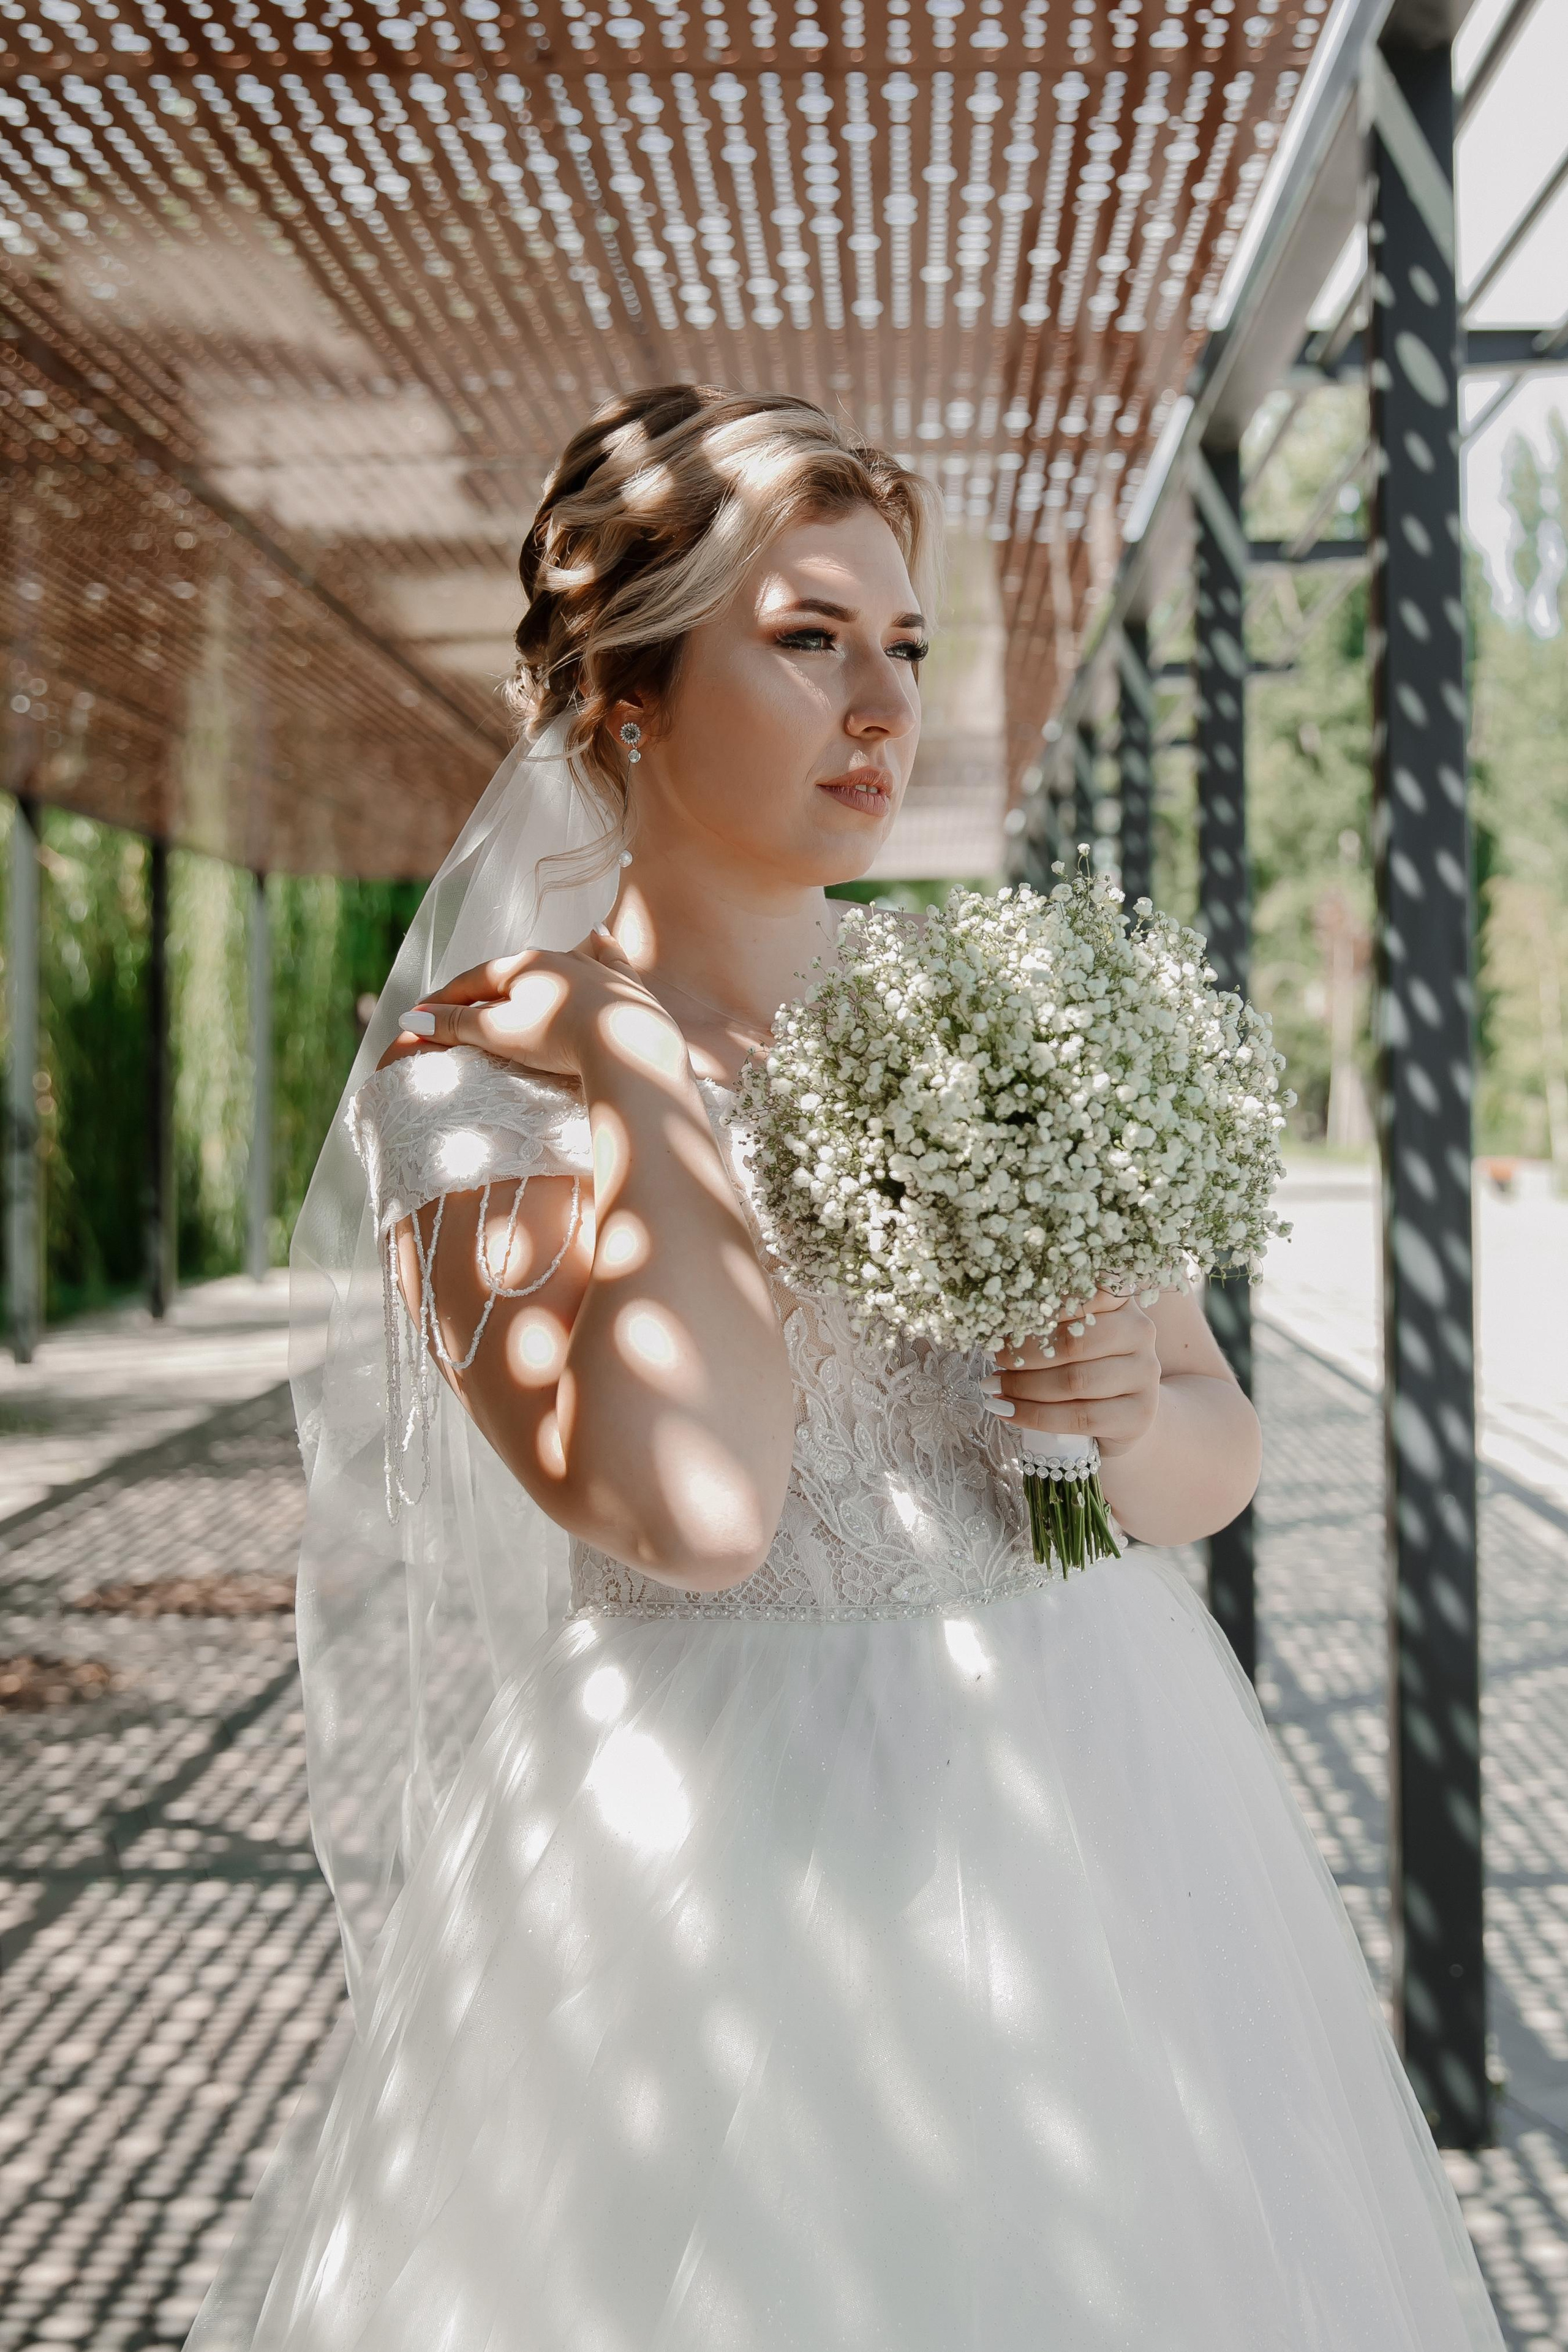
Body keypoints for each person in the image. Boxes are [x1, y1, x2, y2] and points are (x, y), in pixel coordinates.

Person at [189, 385, 1503, 2350]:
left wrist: (1128, 1427)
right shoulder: (480, 1071)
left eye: (903, 646)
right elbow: (700, 1509)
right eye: (805, 642)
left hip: (1096, 1800)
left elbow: (1214, 1455)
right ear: (624, 694)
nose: (881, 709)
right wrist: (631, 1062)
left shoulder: (1007, 1010)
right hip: (696, 1867)